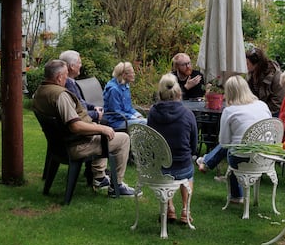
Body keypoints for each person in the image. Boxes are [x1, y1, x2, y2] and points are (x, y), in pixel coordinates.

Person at [32, 59, 137, 197]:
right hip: (76, 146)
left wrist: (96, 126)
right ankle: (117, 186)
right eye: (65, 75)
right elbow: (75, 126)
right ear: (58, 77)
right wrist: (101, 129)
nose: (66, 78)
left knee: (99, 128)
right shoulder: (60, 95)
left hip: (58, 146)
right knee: (123, 139)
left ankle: (99, 177)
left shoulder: (40, 92)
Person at [196, 75, 271, 202]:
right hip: (266, 154)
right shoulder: (262, 105)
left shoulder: (230, 110)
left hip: (242, 157)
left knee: (233, 147)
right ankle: (207, 161)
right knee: (235, 144)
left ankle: (236, 195)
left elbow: (224, 142)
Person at [145, 73, 197, 223]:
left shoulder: (153, 113)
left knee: (169, 162)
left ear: (160, 92)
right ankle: (185, 209)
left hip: (159, 169)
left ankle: (170, 208)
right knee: (188, 172)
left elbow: (150, 141)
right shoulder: (188, 114)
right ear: (178, 92)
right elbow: (193, 146)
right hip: (182, 167)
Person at [59, 49, 103, 122]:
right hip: (84, 124)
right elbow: (76, 113)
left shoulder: (71, 82)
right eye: (79, 63)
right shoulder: (68, 85)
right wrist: (96, 114)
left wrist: (94, 107)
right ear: (72, 66)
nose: (81, 65)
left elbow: (80, 101)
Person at [103, 61, 145, 131]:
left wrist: (137, 114)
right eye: (132, 73)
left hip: (125, 118)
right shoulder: (114, 90)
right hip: (115, 122)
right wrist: (133, 117)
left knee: (144, 120)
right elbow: (116, 113)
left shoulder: (125, 85)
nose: (134, 74)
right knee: (144, 123)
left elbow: (129, 107)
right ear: (124, 75)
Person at [246, 45, 284, 115]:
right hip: (257, 110)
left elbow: (277, 102)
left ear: (256, 64)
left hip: (272, 113)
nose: (245, 66)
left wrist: (261, 112)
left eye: (247, 63)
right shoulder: (251, 74)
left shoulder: (276, 76)